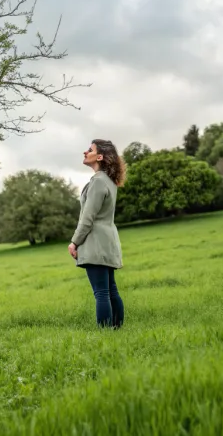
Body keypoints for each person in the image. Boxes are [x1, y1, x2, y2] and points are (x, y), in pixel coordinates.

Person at [68, 139, 126, 328]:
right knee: (110, 291)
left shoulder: (98, 182)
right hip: (108, 242)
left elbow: (87, 218)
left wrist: (74, 242)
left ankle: (106, 334)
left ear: (99, 157)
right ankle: (117, 331)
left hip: (96, 243)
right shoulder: (109, 182)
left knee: (101, 293)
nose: (85, 152)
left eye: (90, 150)